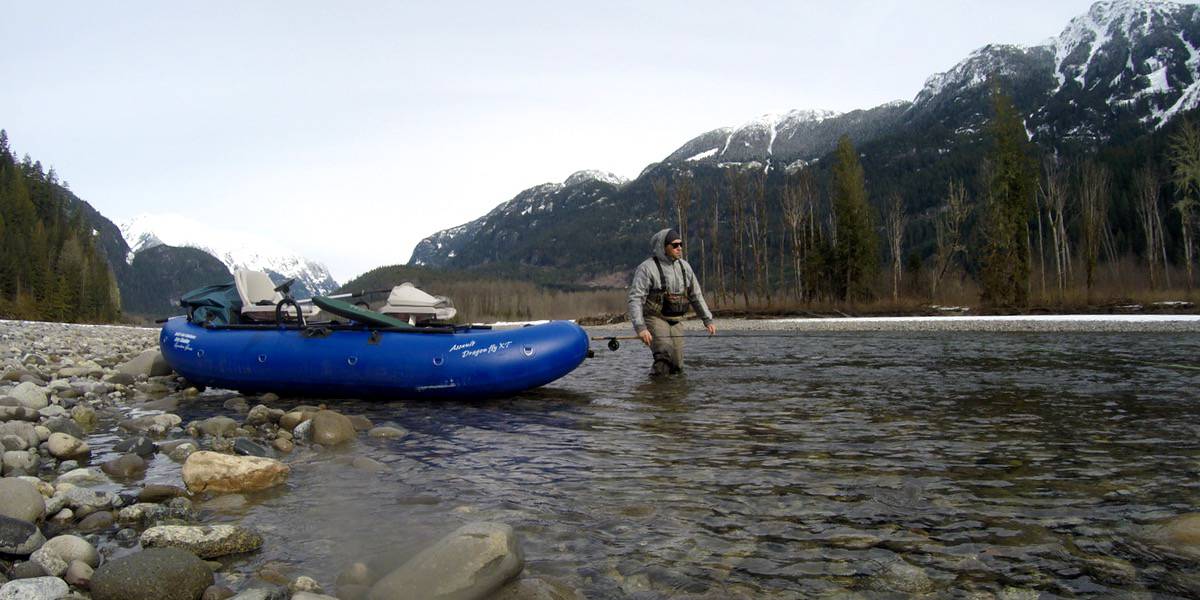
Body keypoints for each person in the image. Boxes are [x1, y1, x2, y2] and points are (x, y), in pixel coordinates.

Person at [627, 228, 717, 375]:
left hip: (676, 320)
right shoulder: (646, 268)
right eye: (675, 245)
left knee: (677, 364)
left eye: (680, 244)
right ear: (663, 247)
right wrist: (640, 327)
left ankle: (673, 395)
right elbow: (635, 299)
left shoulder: (685, 267)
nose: (679, 248)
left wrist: (708, 320)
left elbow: (696, 295)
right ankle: (657, 394)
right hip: (654, 318)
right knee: (664, 354)